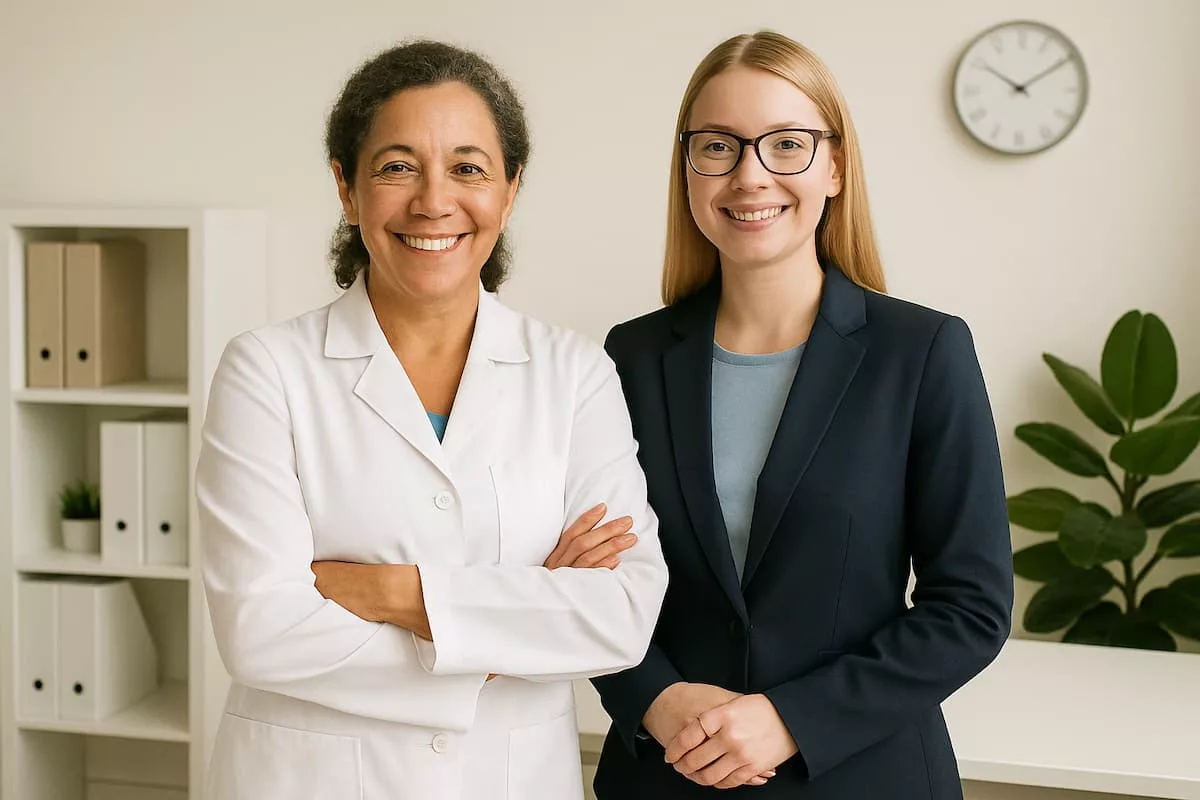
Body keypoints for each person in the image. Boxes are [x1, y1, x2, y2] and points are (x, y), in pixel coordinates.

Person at [196, 40, 667, 800]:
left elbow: (620, 616)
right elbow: (260, 633)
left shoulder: (574, 374)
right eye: (396, 166)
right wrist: (525, 608)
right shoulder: (267, 371)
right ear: (347, 189)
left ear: (509, 190)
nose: (433, 200)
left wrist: (389, 594)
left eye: (469, 168)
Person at [590, 30, 1013, 799]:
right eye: (718, 146)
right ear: (687, 167)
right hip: (668, 778)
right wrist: (653, 698)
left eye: (786, 144)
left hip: (865, 778)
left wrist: (793, 718)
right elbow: (592, 577)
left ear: (836, 167)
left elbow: (971, 609)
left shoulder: (922, 353)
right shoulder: (628, 358)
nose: (750, 176)